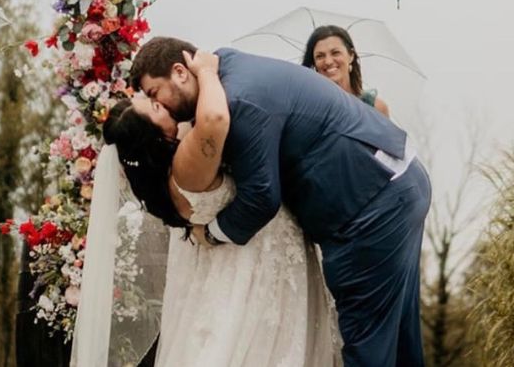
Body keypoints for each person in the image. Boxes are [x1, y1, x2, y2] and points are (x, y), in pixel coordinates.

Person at [131, 37, 431, 367]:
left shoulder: (237, 100)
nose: (155, 103)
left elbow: (261, 197)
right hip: (395, 181)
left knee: (367, 345)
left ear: (179, 72)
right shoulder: (227, 67)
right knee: (400, 340)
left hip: (369, 206)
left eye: (153, 93)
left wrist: (212, 232)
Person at [101, 50, 339, 366]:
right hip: (251, 265)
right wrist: (208, 72)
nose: (162, 104)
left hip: (235, 265)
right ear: (150, 136)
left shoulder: (169, 172)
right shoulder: (187, 163)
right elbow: (215, 118)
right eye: (155, 106)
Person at [303, 25, 390, 117]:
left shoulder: (375, 108)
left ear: (351, 55)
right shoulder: (308, 109)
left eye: (335, 53)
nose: (328, 61)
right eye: (320, 56)